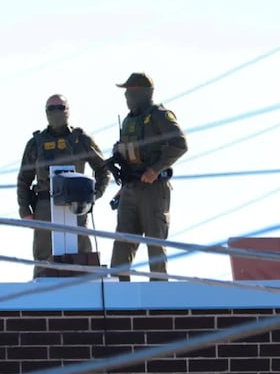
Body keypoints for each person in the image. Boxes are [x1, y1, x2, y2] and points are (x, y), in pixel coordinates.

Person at [17, 94, 111, 278]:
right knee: (44, 254)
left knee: (81, 250)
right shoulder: (36, 143)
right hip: (44, 203)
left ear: (67, 111)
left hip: (76, 203)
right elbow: (24, 179)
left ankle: (85, 292)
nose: (55, 112)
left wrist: (94, 195)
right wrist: (25, 210)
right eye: (51, 109)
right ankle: (42, 297)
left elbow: (103, 169)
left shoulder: (80, 139)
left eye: (60, 108)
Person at [110, 72, 188, 281]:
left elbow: (179, 144)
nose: (126, 96)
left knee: (155, 241)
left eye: (130, 91)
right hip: (130, 187)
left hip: (153, 188)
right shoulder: (129, 120)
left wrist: (154, 169)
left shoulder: (159, 115)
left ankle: (159, 293)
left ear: (143, 93)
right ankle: (117, 290)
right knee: (122, 240)